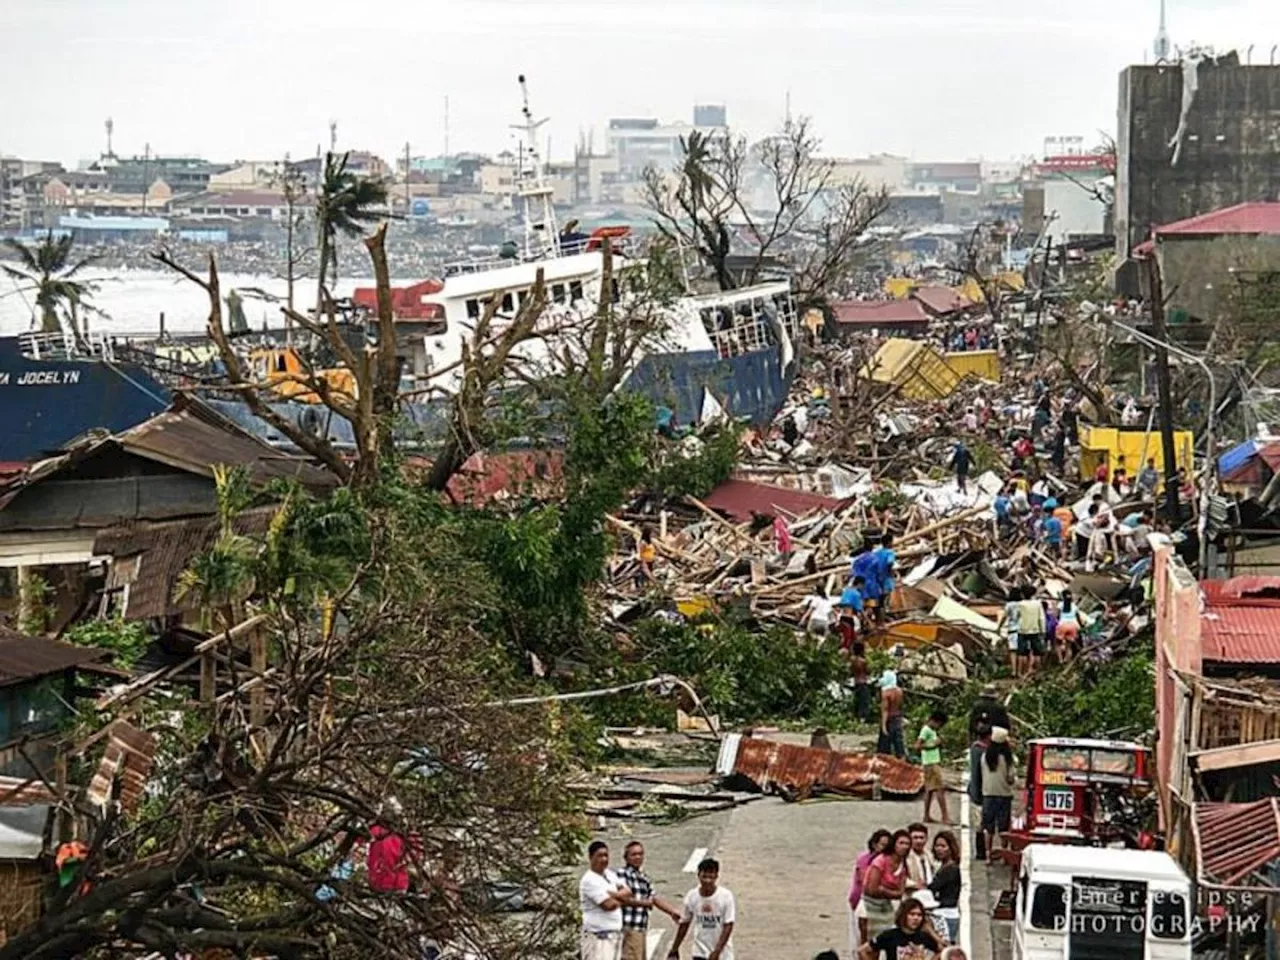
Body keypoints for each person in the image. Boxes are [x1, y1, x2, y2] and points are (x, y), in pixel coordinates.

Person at [617, 842, 681, 960]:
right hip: (629, 926)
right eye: (634, 854)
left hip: (641, 926)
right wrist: (644, 903)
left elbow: (654, 897)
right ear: (626, 857)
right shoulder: (622, 874)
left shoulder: (643, 877)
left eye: (640, 854)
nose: (638, 857)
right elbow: (621, 898)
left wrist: (672, 911)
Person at [669, 858, 735, 960]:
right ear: (698, 875)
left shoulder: (726, 896)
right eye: (704, 876)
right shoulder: (692, 896)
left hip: (723, 954)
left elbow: (728, 926)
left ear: (716, 876)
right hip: (700, 951)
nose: (707, 880)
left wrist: (717, 951)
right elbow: (684, 924)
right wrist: (674, 949)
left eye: (711, 876)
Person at [581, 841, 631, 960]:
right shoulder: (589, 880)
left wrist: (613, 894)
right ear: (590, 857)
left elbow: (628, 891)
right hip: (599, 937)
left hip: (615, 935)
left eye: (606, 855)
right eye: (600, 855)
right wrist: (622, 899)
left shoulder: (609, 874)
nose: (604, 859)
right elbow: (608, 905)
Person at [849, 830, 893, 958]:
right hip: (860, 902)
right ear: (874, 844)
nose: (885, 848)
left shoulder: (886, 860)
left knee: (876, 941)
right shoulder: (865, 859)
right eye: (882, 845)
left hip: (878, 905)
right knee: (865, 941)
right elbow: (865, 883)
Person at [861, 830, 911, 942]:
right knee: (871, 942)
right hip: (870, 905)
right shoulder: (880, 861)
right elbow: (872, 889)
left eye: (907, 844)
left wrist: (883, 890)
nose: (904, 847)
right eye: (901, 843)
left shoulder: (903, 864)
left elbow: (900, 893)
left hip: (887, 906)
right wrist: (891, 892)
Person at [858, 897, 945, 960]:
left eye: (919, 915)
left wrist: (932, 933)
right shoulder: (890, 935)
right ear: (904, 915)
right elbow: (863, 950)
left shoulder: (924, 937)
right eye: (912, 914)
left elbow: (944, 951)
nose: (916, 918)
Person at [981, 728, 1017, 865]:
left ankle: (988, 856)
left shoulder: (985, 757)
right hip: (1004, 794)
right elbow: (1011, 778)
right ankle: (1004, 855)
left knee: (988, 828)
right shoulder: (1008, 759)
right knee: (1003, 827)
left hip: (988, 794)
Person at [917, 711, 951, 824]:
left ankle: (926, 816)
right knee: (939, 789)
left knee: (929, 791)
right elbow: (917, 745)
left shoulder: (932, 731)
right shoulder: (926, 730)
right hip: (930, 763)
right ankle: (945, 816)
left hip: (931, 762)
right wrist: (932, 744)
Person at [928, 831, 962, 945]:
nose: (939, 849)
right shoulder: (944, 866)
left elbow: (932, 888)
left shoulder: (950, 869)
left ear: (951, 848)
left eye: (943, 846)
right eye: (937, 846)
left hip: (945, 914)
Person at [967, 723, 991, 861]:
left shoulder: (974, 748)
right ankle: (981, 851)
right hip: (981, 791)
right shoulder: (983, 751)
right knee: (982, 823)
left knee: (978, 823)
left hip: (974, 790)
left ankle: (980, 851)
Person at [1017, 585, 1047, 675]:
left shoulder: (1020, 604)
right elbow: (1041, 618)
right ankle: (1037, 672)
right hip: (1035, 630)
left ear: (1022, 594)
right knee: (1037, 652)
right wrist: (1043, 630)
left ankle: (1023, 672)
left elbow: (1017, 616)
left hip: (1022, 630)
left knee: (1023, 653)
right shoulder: (1038, 604)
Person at [879, 670, 906, 758]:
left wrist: (883, 725)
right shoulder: (899, 691)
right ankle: (902, 762)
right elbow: (900, 706)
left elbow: (885, 710)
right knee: (899, 744)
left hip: (889, 720)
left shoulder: (886, 693)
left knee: (884, 747)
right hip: (897, 718)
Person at [1001, 588, 1023, 675]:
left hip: (1012, 629)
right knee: (1021, 652)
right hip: (1022, 629)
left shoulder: (1009, 605)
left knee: (1013, 651)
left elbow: (1004, 617)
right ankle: (1020, 671)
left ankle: (1014, 671)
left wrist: (999, 627)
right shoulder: (1022, 604)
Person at [851, 642, 872, 723]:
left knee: (857, 701)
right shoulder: (863, 661)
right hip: (863, 682)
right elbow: (868, 671)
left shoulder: (852, 660)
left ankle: (856, 718)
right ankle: (862, 719)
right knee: (864, 702)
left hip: (856, 682)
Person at [1056, 591, 1080, 661]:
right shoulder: (1074, 606)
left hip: (1062, 625)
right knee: (1069, 646)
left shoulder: (1060, 605)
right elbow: (1077, 617)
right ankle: (1067, 660)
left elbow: (1057, 615)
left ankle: (1060, 660)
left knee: (1058, 644)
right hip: (1072, 626)